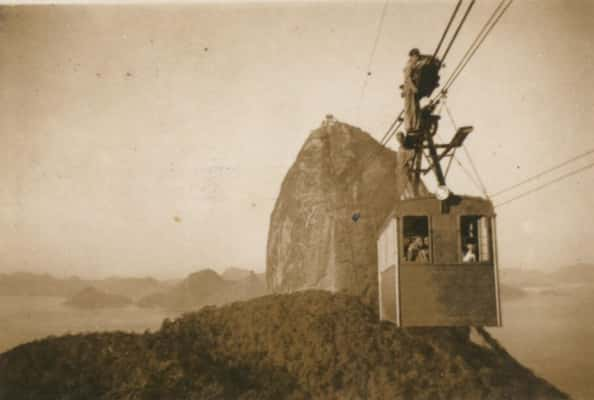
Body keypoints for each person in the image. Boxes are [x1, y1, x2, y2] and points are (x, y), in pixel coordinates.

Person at [402, 48, 421, 133]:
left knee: (413, 107)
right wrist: (413, 88)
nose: (417, 59)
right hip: (410, 89)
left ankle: (413, 126)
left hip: (410, 89)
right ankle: (410, 126)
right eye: (416, 57)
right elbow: (408, 78)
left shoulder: (413, 65)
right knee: (410, 108)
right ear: (412, 56)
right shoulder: (409, 66)